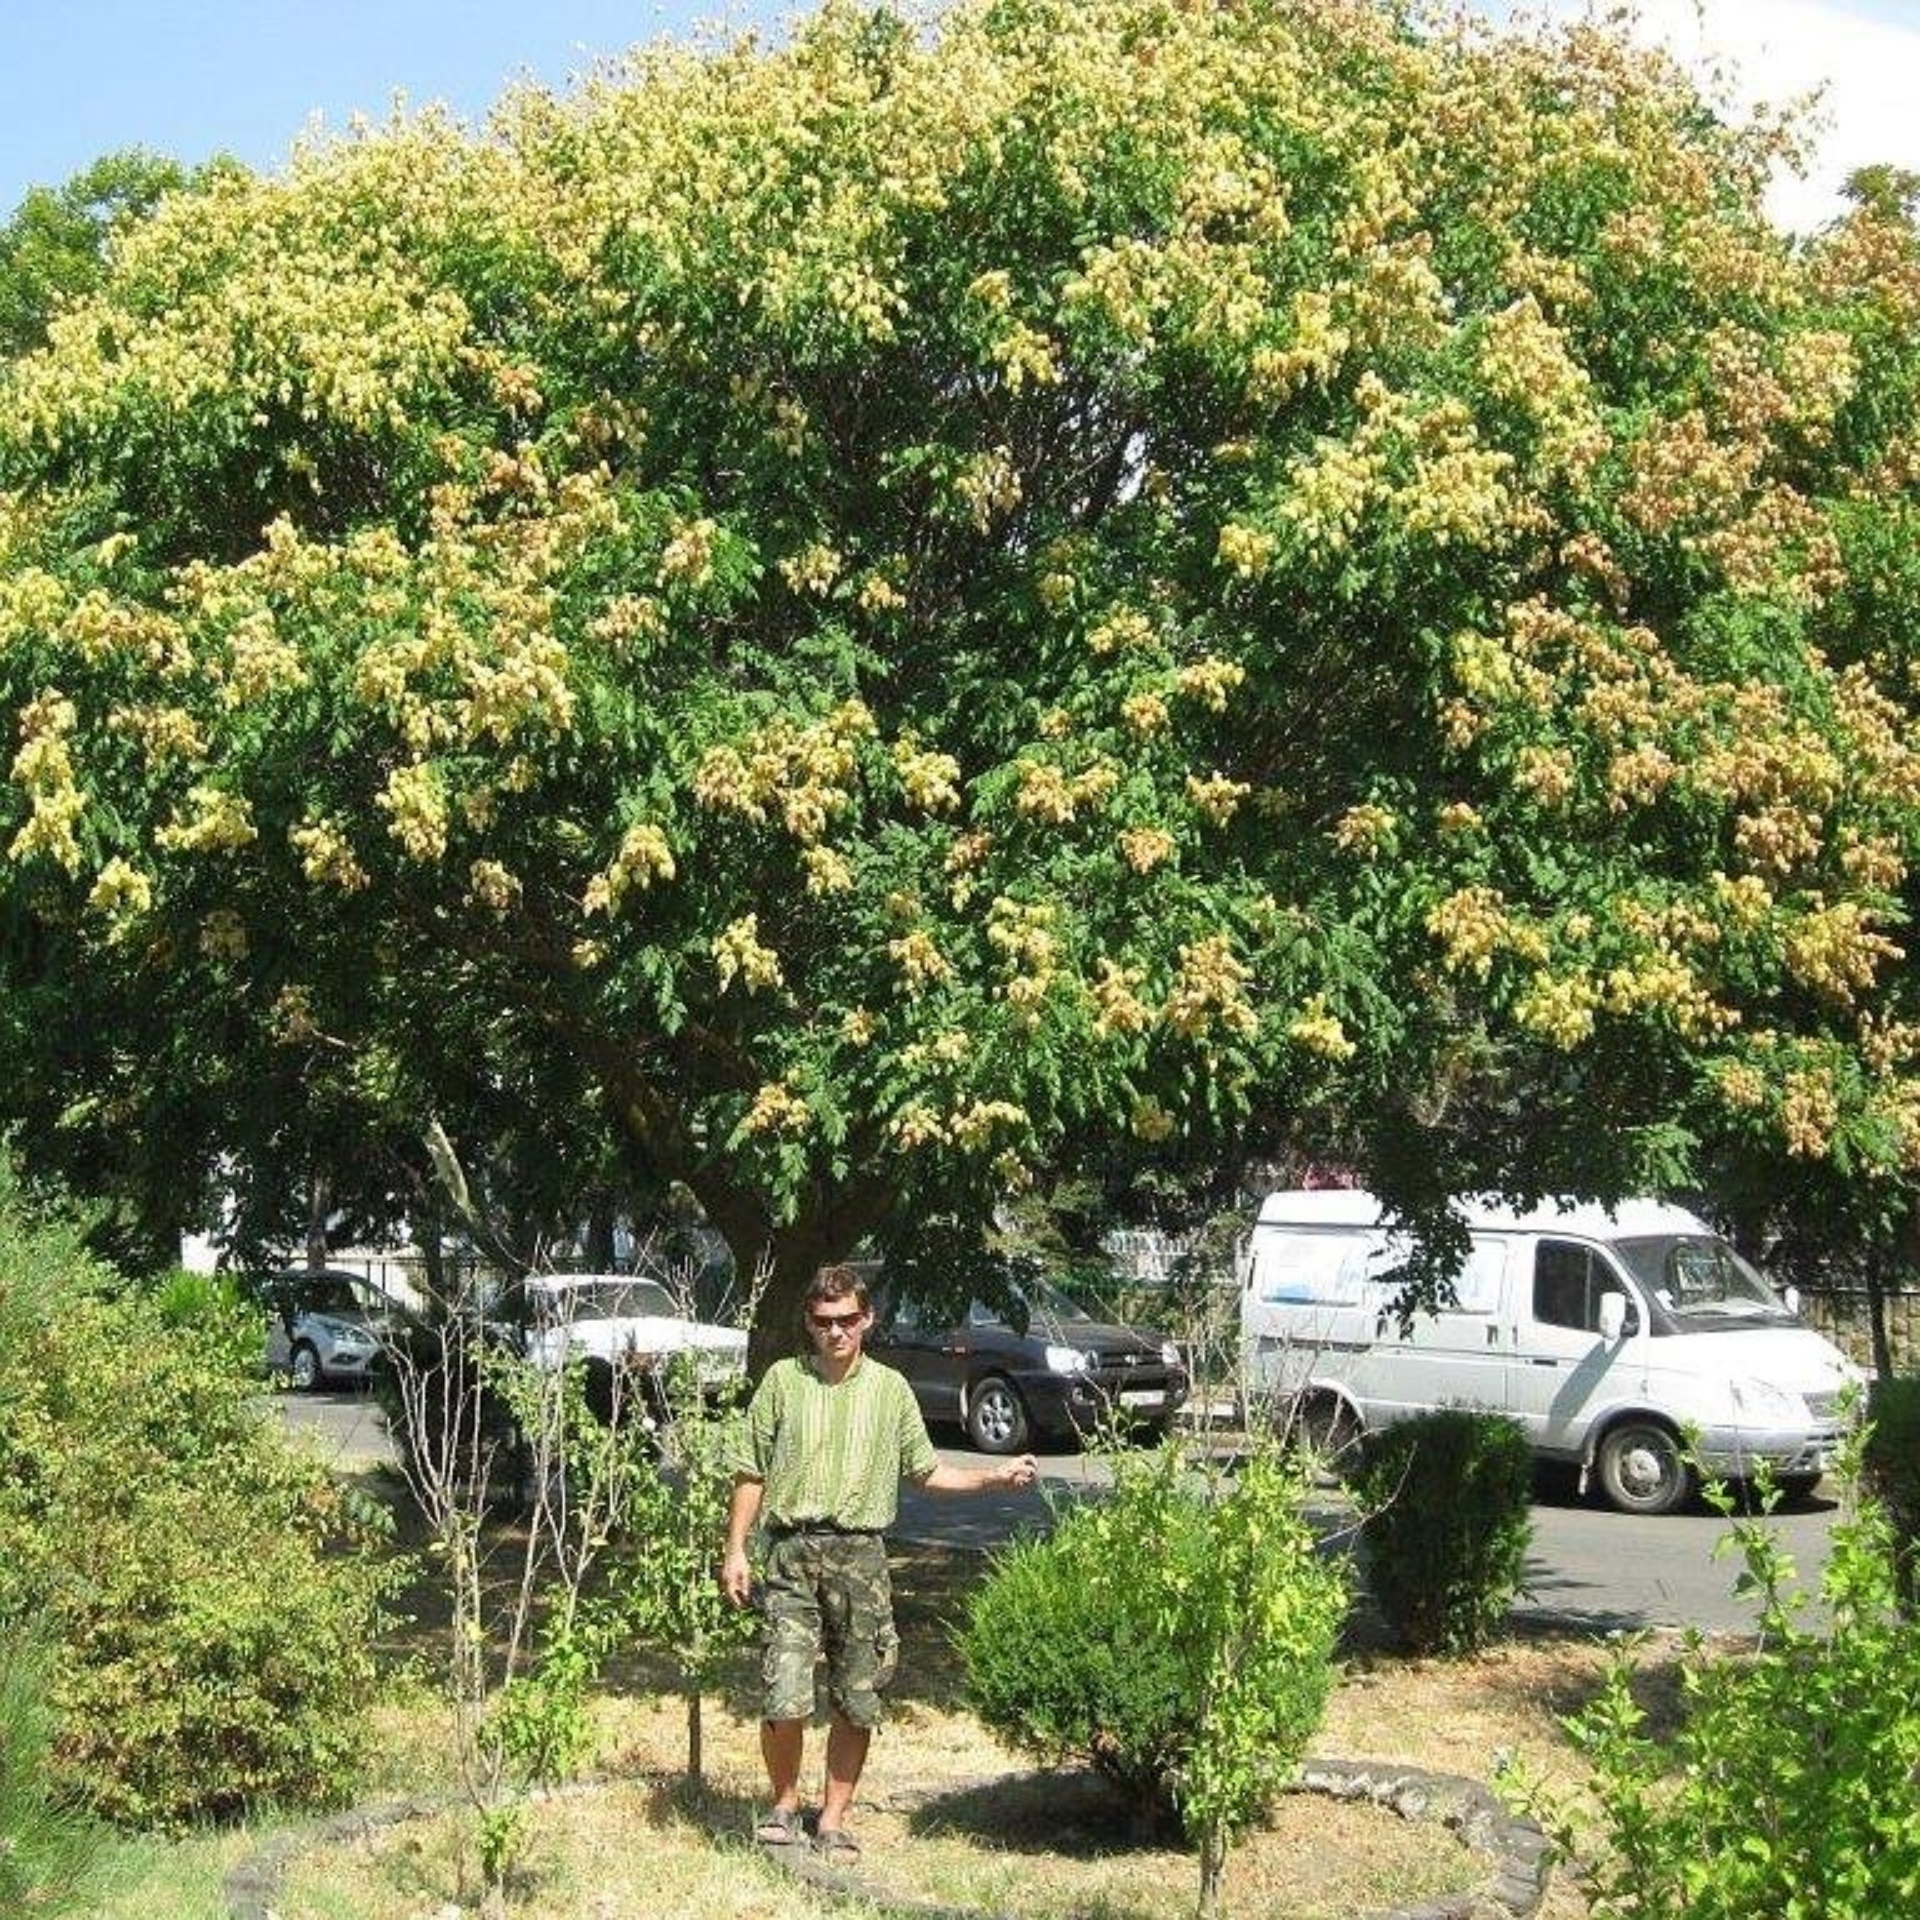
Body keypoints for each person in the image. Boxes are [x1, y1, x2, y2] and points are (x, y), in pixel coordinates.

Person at [721, 1263, 1037, 1860]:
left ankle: (833, 1819)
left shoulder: (890, 1390)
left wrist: (993, 1476)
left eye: (847, 1320)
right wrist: (736, 1550)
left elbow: (927, 1470)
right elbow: (750, 1471)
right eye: (823, 1321)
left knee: (856, 1696)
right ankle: (785, 1805)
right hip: (790, 1553)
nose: (836, 1332)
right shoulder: (783, 1382)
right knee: (783, 1691)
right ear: (809, 1324)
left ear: (866, 1320)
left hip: (861, 1557)